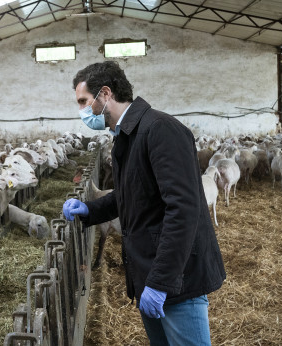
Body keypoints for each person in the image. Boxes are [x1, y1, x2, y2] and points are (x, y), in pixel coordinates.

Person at [62, 61, 226, 345]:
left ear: (105, 94)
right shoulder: (127, 136)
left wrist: (161, 282)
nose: (81, 111)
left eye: (83, 102)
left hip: (177, 279)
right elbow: (132, 194)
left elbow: (184, 208)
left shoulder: (160, 130)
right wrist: (91, 208)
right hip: (150, 274)